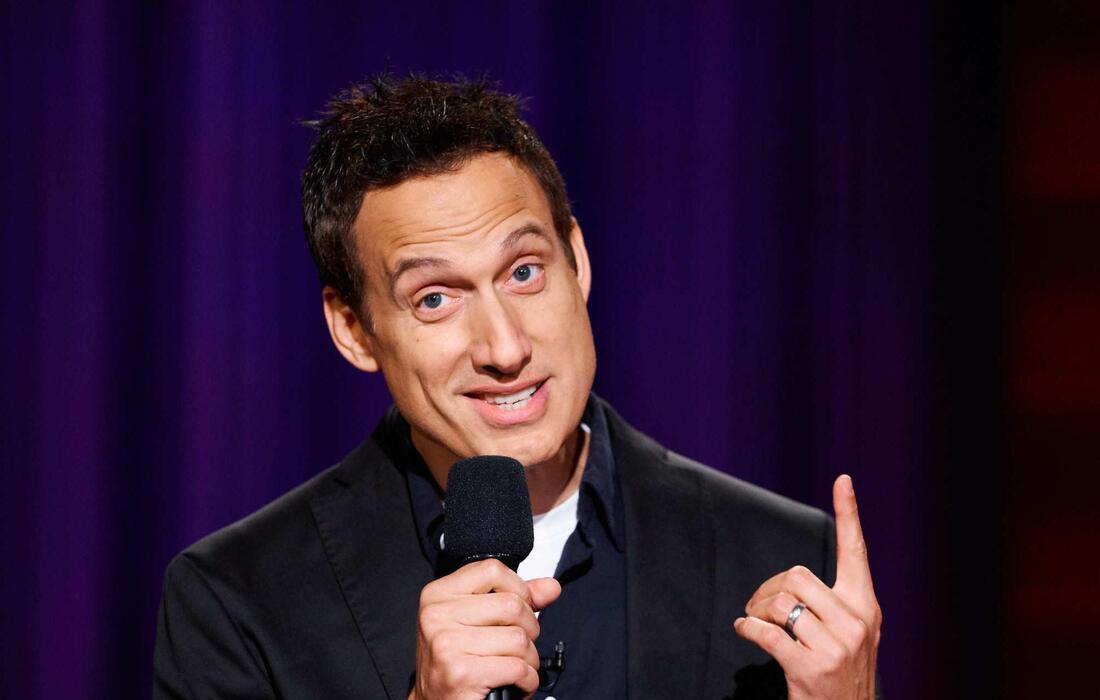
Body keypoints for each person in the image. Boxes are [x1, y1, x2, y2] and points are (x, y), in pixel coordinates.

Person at [154, 74, 882, 700]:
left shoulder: (788, 564)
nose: (506, 349)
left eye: (524, 272)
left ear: (578, 261)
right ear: (353, 329)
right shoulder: (238, 603)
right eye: (435, 298)